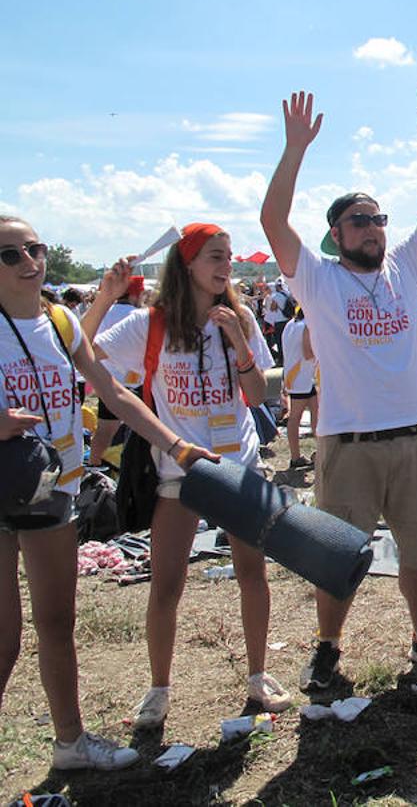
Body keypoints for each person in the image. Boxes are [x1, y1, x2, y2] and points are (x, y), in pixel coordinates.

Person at [260, 87, 417, 689]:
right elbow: (272, 221)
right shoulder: (317, 281)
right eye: (360, 220)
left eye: (378, 219)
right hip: (347, 443)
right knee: (338, 556)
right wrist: (294, 149)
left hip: (412, 440)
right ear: (336, 233)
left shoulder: (404, 266)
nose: (374, 228)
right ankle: (327, 648)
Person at [1, 216, 216, 770]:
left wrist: (176, 445)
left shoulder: (60, 321)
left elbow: (114, 392)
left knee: (56, 622)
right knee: (4, 639)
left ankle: (71, 743)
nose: (30, 263)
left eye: (35, 249)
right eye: (11, 255)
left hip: (53, 492)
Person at [88, 224, 291, 727]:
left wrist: (238, 342)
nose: (226, 267)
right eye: (215, 258)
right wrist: (104, 297)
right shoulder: (150, 324)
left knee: (253, 573)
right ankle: (158, 688)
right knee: (167, 583)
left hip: (238, 464)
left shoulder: (239, 316)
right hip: (179, 469)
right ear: (187, 265)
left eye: (228, 258)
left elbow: (256, 394)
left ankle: (258, 676)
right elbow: (83, 353)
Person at [86, 273, 146, 466]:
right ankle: (128, 470)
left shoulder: (104, 312)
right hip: (133, 383)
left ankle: (95, 467)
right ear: (135, 295)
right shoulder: (137, 316)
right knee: (139, 432)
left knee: (104, 428)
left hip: (106, 380)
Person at [280, 305, 318, 470]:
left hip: (295, 375)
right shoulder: (307, 325)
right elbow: (308, 352)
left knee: (316, 412)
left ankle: (319, 451)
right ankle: (295, 457)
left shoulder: (290, 324)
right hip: (301, 376)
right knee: (296, 417)